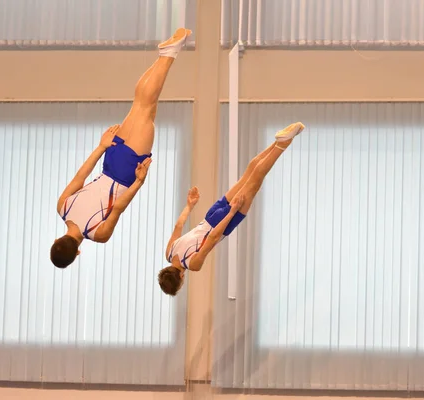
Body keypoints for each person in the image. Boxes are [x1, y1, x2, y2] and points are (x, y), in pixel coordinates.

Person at [51, 28, 192, 269]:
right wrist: (101, 146)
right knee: (141, 105)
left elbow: (118, 207)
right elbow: (81, 176)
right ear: (57, 239)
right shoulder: (62, 206)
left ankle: (169, 54)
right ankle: (163, 56)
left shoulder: (98, 234)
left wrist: (139, 182)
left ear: (77, 254)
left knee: (146, 108)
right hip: (109, 160)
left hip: (126, 174)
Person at [158, 122, 305, 295]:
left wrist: (232, 212)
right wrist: (190, 205)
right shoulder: (169, 253)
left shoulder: (192, 264)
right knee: (248, 174)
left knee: (255, 179)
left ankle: (283, 144)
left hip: (222, 223)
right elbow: (178, 226)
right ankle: (277, 142)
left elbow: (213, 238)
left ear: (181, 278)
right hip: (209, 216)